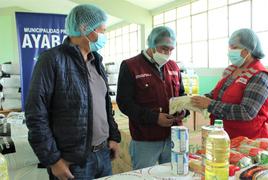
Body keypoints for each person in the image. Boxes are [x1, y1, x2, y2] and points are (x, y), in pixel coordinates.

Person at [25, 4, 121, 180]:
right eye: (103, 30)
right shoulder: (52, 60)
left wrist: (113, 137)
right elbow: (35, 114)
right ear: (85, 28)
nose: (104, 36)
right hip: (73, 162)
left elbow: (105, 105)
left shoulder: (96, 61)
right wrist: (53, 160)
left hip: (103, 154)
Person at [116, 26, 188, 170]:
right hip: (145, 139)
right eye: (163, 49)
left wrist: (184, 110)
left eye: (171, 50)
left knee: (173, 173)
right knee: (143, 175)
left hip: (173, 136)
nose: (167, 53)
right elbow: (124, 103)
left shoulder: (173, 66)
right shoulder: (131, 66)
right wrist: (154, 118)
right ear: (152, 45)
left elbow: (181, 94)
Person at [191, 28, 268, 140]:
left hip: (249, 140)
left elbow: (246, 112)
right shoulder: (231, 71)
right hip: (225, 137)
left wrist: (210, 104)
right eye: (230, 47)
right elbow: (217, 95)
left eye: (235, 47)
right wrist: (199, 99)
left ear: (247, 51)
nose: (230, 51)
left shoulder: (260, 77)